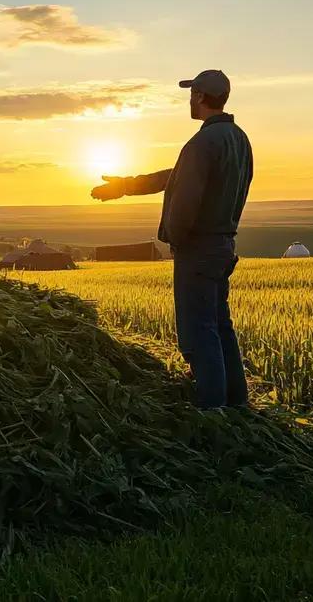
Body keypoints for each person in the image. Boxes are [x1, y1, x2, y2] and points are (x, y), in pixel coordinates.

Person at [90, 69, 253, 409]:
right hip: (224, 245)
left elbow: (185, 199)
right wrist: (125, 185)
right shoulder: (238, 139)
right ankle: (237, 404)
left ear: (199, 97)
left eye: (192, 93)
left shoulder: (201, 143)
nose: (189, 100)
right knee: (221, 326)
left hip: (198, 249)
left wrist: (175, 240)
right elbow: (174, 176)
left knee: (199, 332)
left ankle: (211, 411)